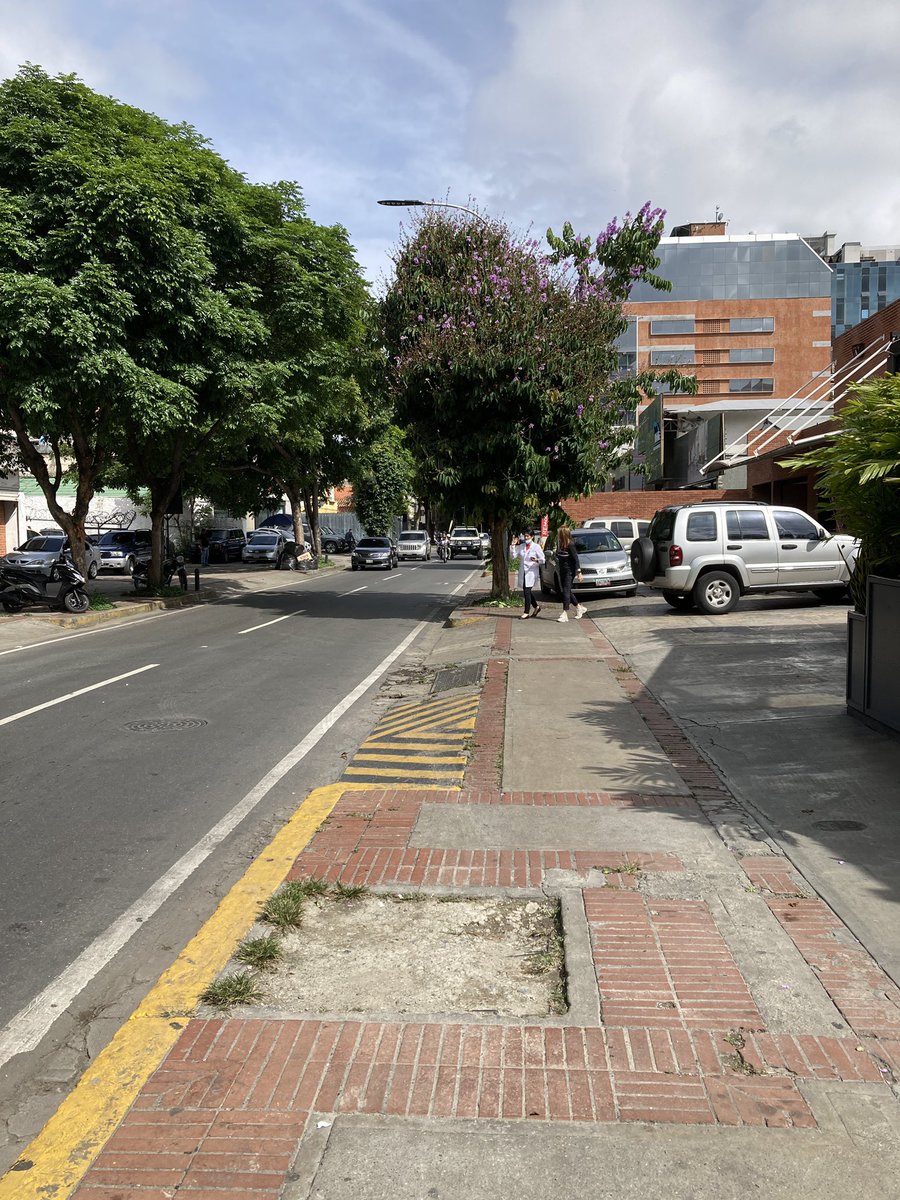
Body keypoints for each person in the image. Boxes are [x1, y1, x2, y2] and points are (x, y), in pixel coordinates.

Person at [554, 526, 587, 622]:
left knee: (565, 590)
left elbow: (576, 559)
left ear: (563, 534)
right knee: (566, 591)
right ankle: (579, 607)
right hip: (562, 570)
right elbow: (559, 555)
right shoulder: (560, 544)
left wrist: (579, 572)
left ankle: (565, 613)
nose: (558, 535)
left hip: (569, 571)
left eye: (559, 533)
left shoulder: (570, 545)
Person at [510, 531, 545, 619]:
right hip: (523, 572)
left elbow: (543, 560)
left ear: (532, 537)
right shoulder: (521, 546)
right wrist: (513, 545)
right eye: (525, 536)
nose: (526, 538)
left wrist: (536, 559)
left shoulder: (536, 547)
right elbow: (513, 556)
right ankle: (536, 607)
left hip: (531, 572)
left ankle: (526, 612)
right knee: (527, 591)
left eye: (527, 536)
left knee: (526, 591)